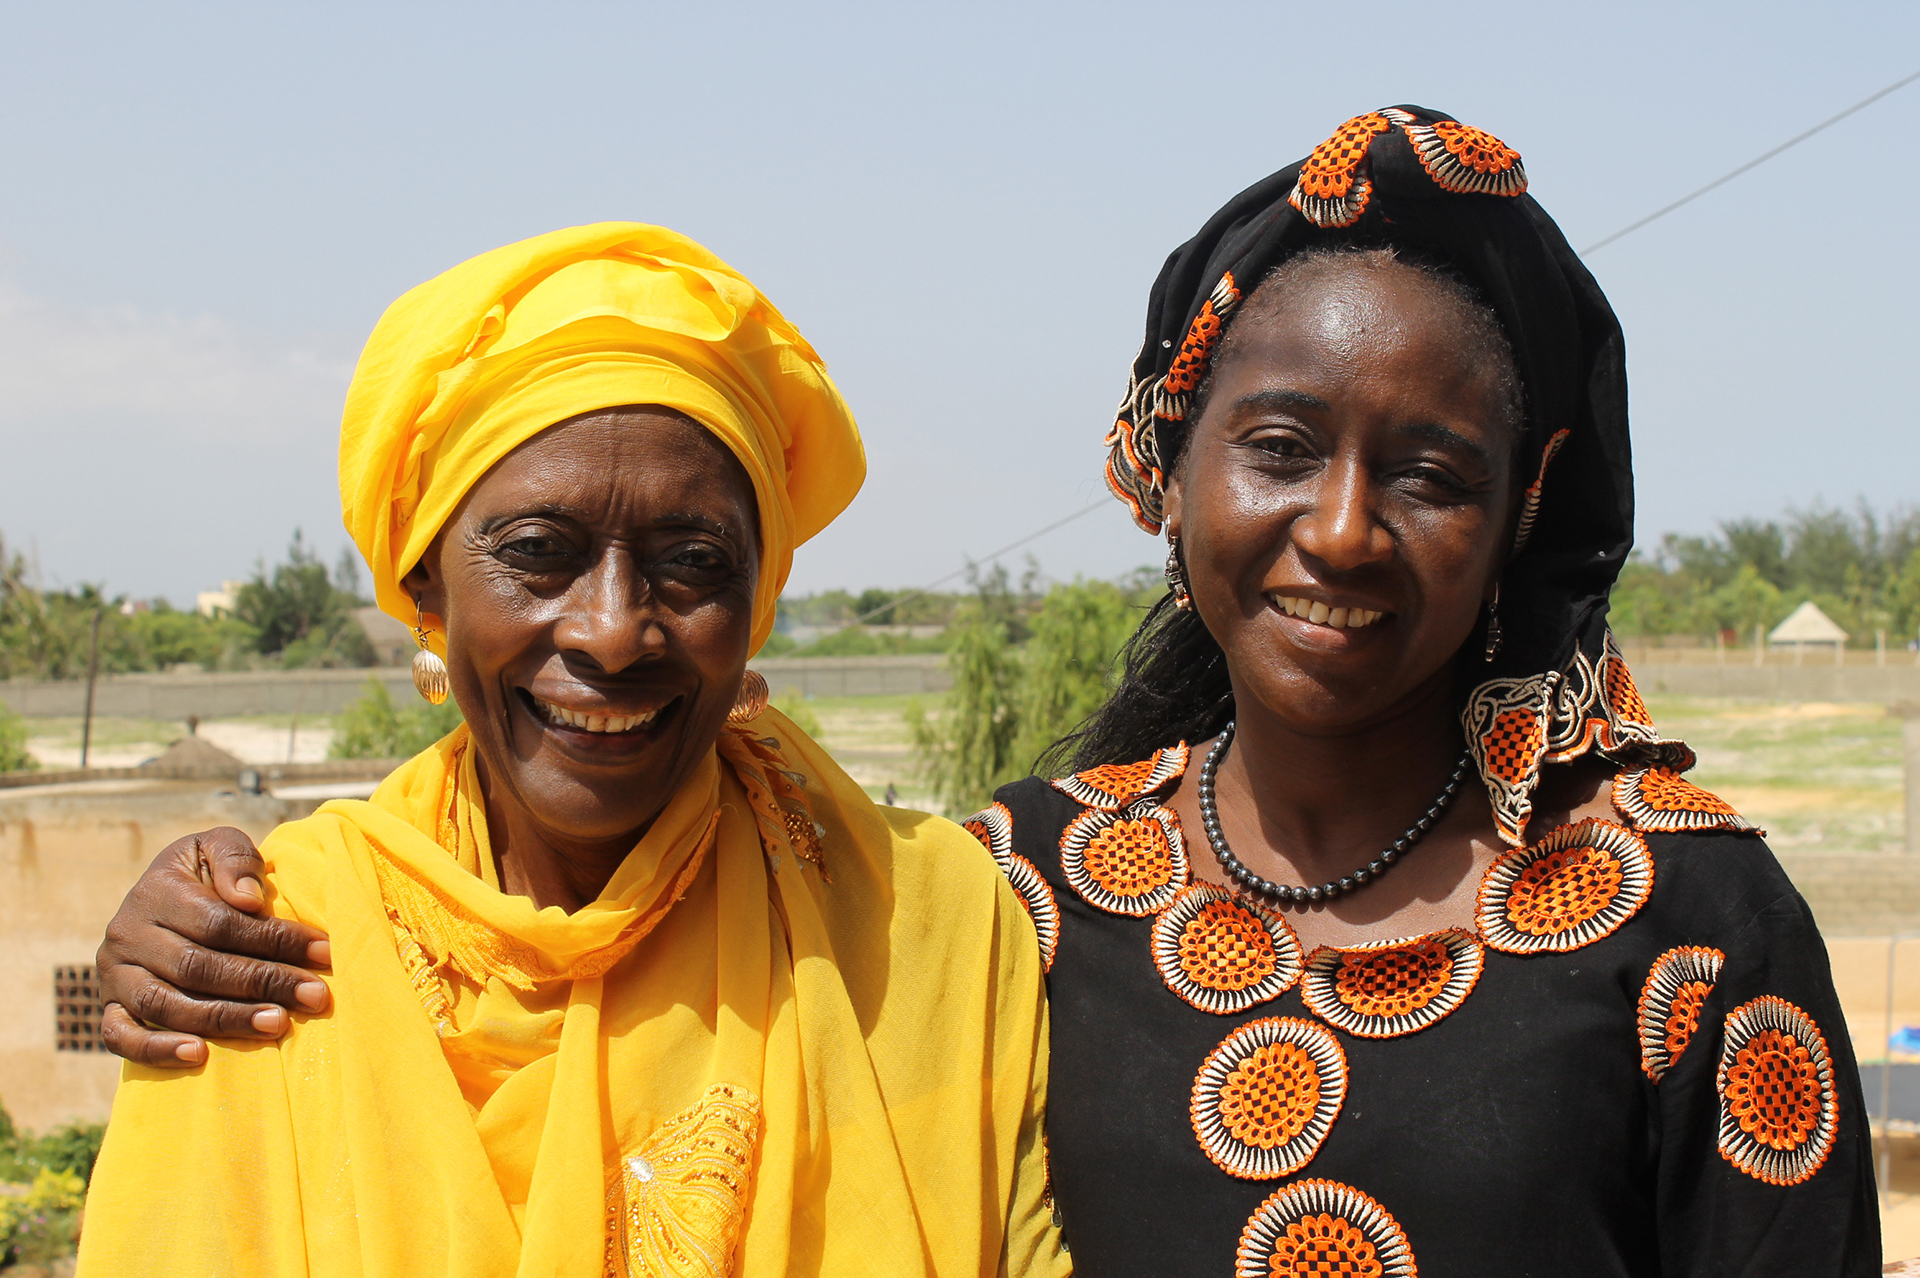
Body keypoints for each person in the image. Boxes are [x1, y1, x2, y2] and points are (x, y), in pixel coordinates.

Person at [99, 108, 1879, 1275]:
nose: (1339, 529)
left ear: (1518, 517)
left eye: (1429, 470)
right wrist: (171, 916)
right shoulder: (1029, 888)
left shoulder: (1682, 920)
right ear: (1160, 472)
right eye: (1275, 446)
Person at [78, 224, 1067, 1278]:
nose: (611, 629)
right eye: (538, 554)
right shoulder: (265, 948)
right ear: (425, 583)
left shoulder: (930, 922)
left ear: (758, 598)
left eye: (692, 560)